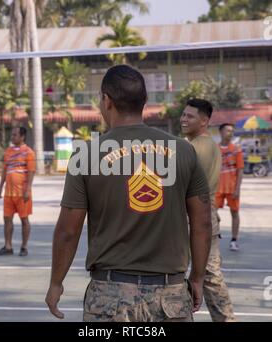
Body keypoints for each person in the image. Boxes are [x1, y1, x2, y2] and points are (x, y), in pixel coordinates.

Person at [45, 65, 212, 322]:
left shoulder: (86, 155)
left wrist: (56, 282)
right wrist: (198, 278)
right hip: (170, 295)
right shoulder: (183, 151)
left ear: (106, 100)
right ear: (144, 101)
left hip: (109, 298)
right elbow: (202, 222)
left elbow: (68, 231)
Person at [180, 99, 235, 322]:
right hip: (205, 212)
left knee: (203, 275)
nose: (183, 119)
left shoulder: (195, 147)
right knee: (210, 275)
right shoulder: (208, 144)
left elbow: (180, 184)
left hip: (194, 214)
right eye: (183, 114)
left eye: (190, 116)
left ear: (204, 121)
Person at [0, 127, 36, 257]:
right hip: (8, 193)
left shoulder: (29, 152)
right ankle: (8, 247)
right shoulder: (8, 151)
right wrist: (0, 187)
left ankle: (24, 247)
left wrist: (28, 189)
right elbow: (4, 170)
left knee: (24, 220)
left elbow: (31, 172)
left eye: (14, 135)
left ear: (22, 137)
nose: (12, 137)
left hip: (22, 193)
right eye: (12, 135)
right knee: (7, 219)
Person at [216, 123, 244, 251]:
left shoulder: (236, 149)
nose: (230, 133)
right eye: (228, 131)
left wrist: (237, 188)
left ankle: (234, 240)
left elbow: (240, 170)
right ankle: (213, 237)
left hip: (232, 188)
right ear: (221, 132)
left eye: (232, 131)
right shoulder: (214, 149)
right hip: (217, 188)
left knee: (234, 213)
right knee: (212, 214)